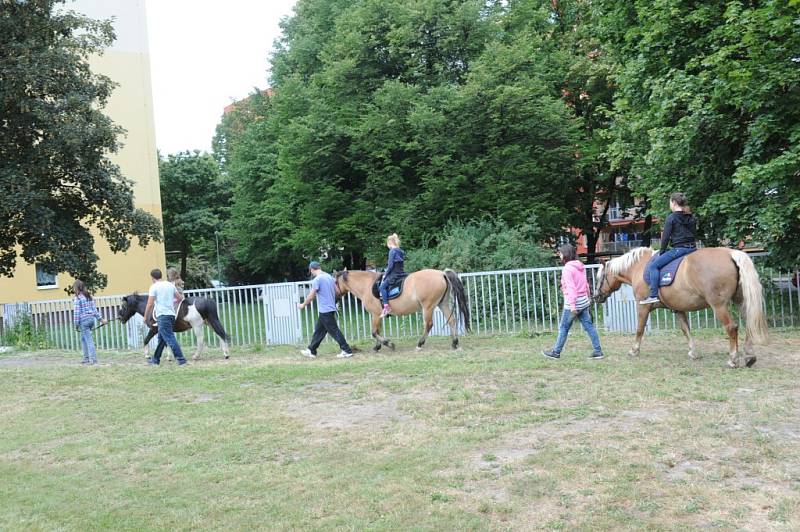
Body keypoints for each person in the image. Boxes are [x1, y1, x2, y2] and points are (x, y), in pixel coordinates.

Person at [542, 243, 604, 360]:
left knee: (564, 327)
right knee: (589, 327)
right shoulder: (580, 266)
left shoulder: (567, 269)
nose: (559, 255)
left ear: (565, 254)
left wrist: (573, 306)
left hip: (573, 304)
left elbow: (571, 289)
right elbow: (585, 284)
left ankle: (556, 352)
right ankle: (598, 351)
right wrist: (587, 297)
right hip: (584, 301)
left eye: (560, 253)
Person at [640, 192, 697, 305]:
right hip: (693, 248)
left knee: (653, 266)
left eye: (670, 202)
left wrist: (662, 252)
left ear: (674, 203)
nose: (670, 205)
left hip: (680, 249)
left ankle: (653, 295)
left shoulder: (671, 218)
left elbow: (665, 237)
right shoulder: (691, 217)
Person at [298, 261, 353, 359]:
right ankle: (311, 350)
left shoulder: (317, 279)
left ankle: (347, 350)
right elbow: (337, 291)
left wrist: (303, 305)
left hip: (325, 310)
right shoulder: (329, 277)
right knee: (319, 331)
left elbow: (311, 295)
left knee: (334, 331)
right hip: (330, 308)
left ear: (311, 270)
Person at [143, 268, 188, 365]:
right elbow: (180, 298)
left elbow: (150, 304)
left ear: (152, 277)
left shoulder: (154, 287)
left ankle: (181, 359)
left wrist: (145, 317)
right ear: (161, 275)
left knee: (169, 337)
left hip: (162, 315)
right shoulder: (169, 285)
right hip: (172, 315)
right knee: (161, 338)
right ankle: (155, 360)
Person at [72, 279, 106, 365]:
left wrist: (76, 325)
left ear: (76, 288)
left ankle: (94, 360)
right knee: (84, 339)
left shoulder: (77, 298)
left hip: (83, 321)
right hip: (91, 320)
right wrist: (101, 320)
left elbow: (76, 312)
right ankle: (86, 358)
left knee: (89, 340)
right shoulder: (88, 297)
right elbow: (94, 310)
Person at [379, 233, 405, 318]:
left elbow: (390, 266)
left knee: (382, 287)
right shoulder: (400, 251)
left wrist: (385, 275)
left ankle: (386, 306)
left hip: (394, 274)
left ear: (389, 242)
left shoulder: (392, 251)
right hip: (401, 273)